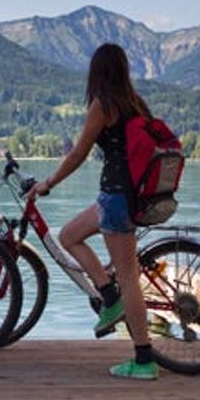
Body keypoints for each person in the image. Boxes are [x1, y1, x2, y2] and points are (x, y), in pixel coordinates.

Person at [27, 43, 159, 380]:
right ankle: (107, 293)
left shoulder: (103, 105)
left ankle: (144, 359)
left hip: (117, 198)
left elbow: (77, 155)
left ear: (97, 72)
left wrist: (48, 183)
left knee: (129, 276)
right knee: (69, 235)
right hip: (121, 197)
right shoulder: (134, 103)